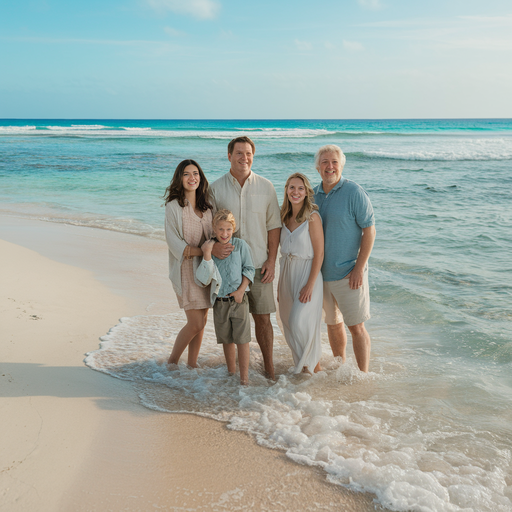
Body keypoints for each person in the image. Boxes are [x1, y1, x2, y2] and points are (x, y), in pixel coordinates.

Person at [209, 136, 281, 379]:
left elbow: (274, 226)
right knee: (231, 324)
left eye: (248, 153)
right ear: (229, 156)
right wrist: (212, 248)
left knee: (263, 320)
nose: (244, 158)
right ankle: (237, 374)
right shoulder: (216, 188)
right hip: (226, 271)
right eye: (239, 153)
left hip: (260, 266)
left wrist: (272, 260)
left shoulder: (266, 186)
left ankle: (269, 370)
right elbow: (208, 226)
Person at [313, 145, 376, 373]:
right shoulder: (313, 195)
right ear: (318, 167)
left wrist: (359, 268)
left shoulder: (354, 192)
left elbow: (369, 230)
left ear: (341, 165)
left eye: (334, 162)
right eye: (325, 162)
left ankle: (362, 375)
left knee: (356, 327)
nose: (330, 166)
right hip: (322, 275)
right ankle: (341, 368)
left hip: (350, 274)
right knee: (332, 324)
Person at [164, 159, 213, 367]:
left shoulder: (207, 207)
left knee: (202, 322)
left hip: (206, 270)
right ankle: (172, 362)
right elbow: (176, 244)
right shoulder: (174, 207)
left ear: (200, 178)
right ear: (179, 178)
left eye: (195, 173)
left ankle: (192, 365)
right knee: (195, 323)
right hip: (185, 270)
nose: (192, 178)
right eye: (186, 174)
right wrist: (204, 250)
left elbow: (215, 236)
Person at [197, 209, 255, 385]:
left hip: (239, 300)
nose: (224, 234)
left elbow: (249, 269)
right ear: (214, 229)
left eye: (228, 229)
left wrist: (240, 291)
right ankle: (231, 374)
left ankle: (244, 379)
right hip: (220, 302)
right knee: (227, 340)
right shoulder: (211, 247)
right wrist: (207, 252)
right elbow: (204, 278)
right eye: (221, 229)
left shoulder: (241, 245)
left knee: (242, 340)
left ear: (233, 229)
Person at [278, 173, 324, 374]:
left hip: (307, 273)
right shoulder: (283, 216)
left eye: (300, 188)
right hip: (287, 273)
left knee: (299, 321)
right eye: (291, 187)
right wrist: (280, 284)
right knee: (287, 321)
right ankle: (305, 368)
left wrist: (310, 284)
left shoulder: (312, 217)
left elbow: (320, 253)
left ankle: (315, 367)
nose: (295, 192)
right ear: (286, 190)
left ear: (306, 192)